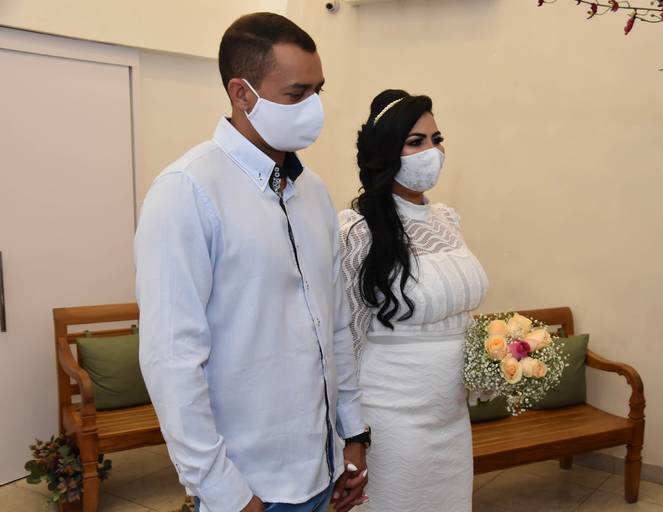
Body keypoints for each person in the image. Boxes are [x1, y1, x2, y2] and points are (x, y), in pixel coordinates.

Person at [135, 13, 369, 512]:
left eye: (318, 91)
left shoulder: (314, 193)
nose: (314, 108)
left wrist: (353, 434)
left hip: (322, 467)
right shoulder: (187, 192)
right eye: (296, 93)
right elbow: (171, 360)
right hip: (249, 485)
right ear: (241, 94)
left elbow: (336, 326)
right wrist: (224, 492)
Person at [339, 89, 489, 511]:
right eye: (416, 141)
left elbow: (460, 311)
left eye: (436, 139)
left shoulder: (447, 220)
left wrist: (489, 360)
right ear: (388, 152)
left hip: (451, 416)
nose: (432, 151)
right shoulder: (358, 231)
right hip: (393, 416)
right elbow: (346, 337)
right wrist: (351, 433)